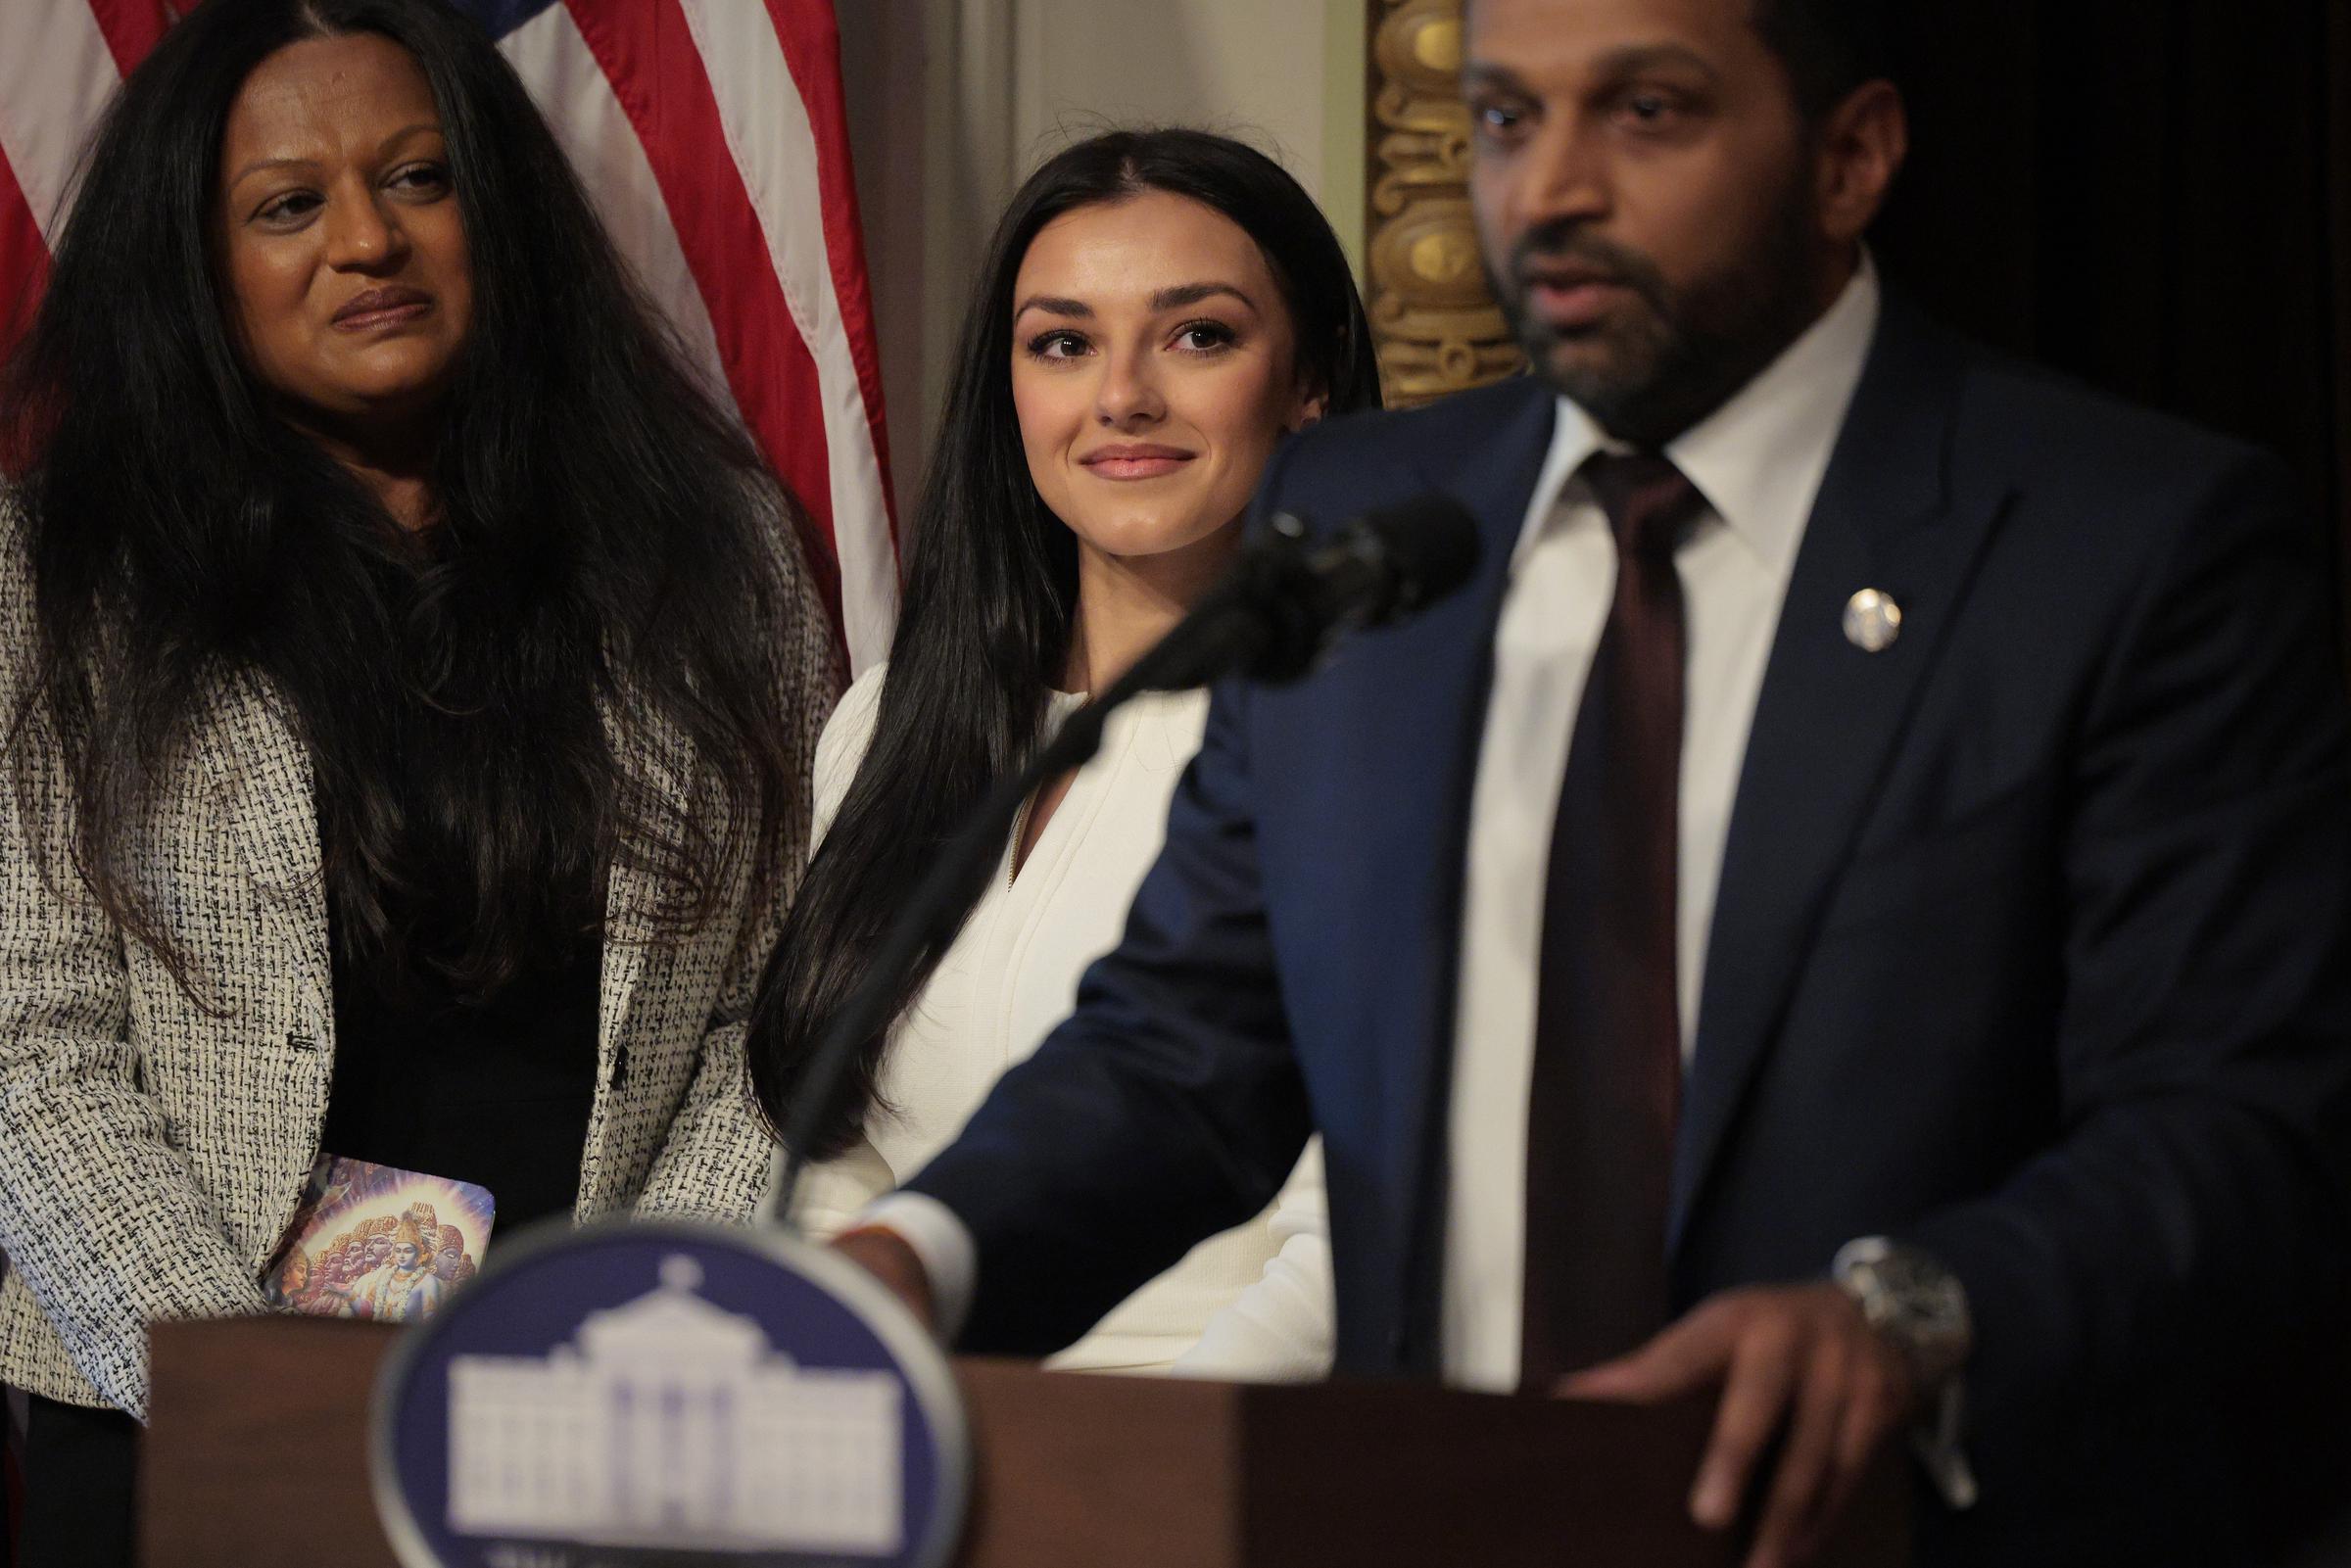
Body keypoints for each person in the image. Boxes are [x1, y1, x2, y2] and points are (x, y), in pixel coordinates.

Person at [836, 1, 2351, 1564]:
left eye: (1647, 115)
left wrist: (1912, 1316)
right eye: (1503, 121)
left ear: (1850, 159)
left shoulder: (2127, 544)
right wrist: (921, 1259)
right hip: (1420, 1517)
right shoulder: (1371, 521)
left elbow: (2242, 1126)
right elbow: (1185, 1052)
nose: (1549, 188)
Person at [0, 0, 838, 1560]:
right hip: (184, 1418)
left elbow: (782, 1006)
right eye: (287, 204)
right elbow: (28, 1043)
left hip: (602, 1414)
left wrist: (624, 1339)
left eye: (419, 180)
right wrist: (262, 1396)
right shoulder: (59, 584)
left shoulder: (714, 557)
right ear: (196, 263)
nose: (367, 241)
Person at [750, 129, 1379, 1377]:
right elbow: (839, 1166)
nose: (1123, 396)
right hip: (921, 1438)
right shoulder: (883, 725)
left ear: (1307, 379)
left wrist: (1119, 1487)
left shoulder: (1374, 733)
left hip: (1233, 1457)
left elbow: (1352, 1236)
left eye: (1199, 334)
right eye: (1064, 342)